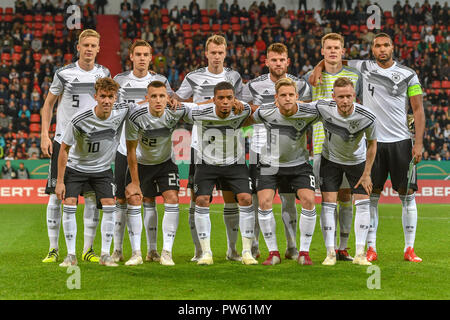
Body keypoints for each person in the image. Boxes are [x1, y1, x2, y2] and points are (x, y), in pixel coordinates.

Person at [309, 33, 425, 263]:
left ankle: (409, 248)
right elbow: (335, 59)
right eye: (377, 46)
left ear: (393, 47)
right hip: (372, 143)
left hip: (401, 141)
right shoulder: (364, 66)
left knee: (408, 195)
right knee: (370, 196)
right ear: (372, 50)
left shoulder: (408, 75)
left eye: (386, 45)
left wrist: (419, 141)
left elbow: (418, 109)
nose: (382, 49)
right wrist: (318, 67)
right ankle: (370, 248)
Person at [40, 29, 111, 264]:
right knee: (56, 195)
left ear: (99, 48)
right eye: (86, 45)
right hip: (64, 140)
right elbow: (48, 105)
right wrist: (44, 135)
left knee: (91, 197)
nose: (89, 49)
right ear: (78, 48)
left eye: (94, 45)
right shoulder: (64, 73)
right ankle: (53, 249)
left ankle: (87, 250)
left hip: (92, 143)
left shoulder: (104, 73)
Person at [174, 35, 244, 263]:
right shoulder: (193, 77)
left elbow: (241, 105)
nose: (216, 56)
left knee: (231, 197)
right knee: (198, 199)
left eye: (220, 52)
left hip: (230, 145)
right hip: (199, 145)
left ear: (226, 53)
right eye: (212, 52)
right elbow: (178, 101)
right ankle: (199, 249)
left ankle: (232, 249)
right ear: (206, 53)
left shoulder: (234, 77)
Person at [241, 43, 311, 261]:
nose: (278, 63)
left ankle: (291, 245)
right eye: (274, 60)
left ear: (287, 61)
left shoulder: (300, 84)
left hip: (291, 150)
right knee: (257, 200)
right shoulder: (252, 86)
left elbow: (304, 114)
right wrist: (252, 131)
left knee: (289, 201)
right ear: (267, 61)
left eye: (282, 60)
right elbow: (244, 115)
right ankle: (254, 245)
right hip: (258, 150)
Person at [111, 40, 174, 265]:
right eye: (138, 54)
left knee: (148, 199)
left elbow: (171, 102)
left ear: (150, 57)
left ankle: (153, 250)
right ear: (131, 57)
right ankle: (118, 250)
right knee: (121, 199)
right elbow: (113, 108)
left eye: (146, 54)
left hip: (150, 150)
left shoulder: (160, 82)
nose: (141, 58)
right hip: (123, 147)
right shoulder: (119, 80)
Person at [55, 78, 129, 267]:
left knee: (109, 205)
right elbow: (64, 149)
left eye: (110, 97)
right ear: (95, 96)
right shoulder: (79, 119)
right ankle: (70, 255)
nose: (106, 100)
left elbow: (146, 104)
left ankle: (105, 254)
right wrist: (60, 181)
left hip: (102, 170)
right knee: (70, 203)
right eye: (102, 96)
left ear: (115, 98)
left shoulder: (122, 111)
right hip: (77, 167)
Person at [303, 33, 363, 262]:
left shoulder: (355, 76)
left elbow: (362, 106)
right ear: (322, 51)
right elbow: (305, 106)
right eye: (328, 48)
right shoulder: (312, 78)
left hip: (349, 147)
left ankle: (343, 247)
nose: (332, 51)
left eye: (336, 47)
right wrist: (317, 69)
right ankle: (328, 249)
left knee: (346, 195)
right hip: (321, 146)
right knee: (327, 198)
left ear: (343, 51)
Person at [183, 81, 258, 265]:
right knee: (201, 200)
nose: (225, 102)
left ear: (234, 99)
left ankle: (244, 252)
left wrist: (244, 106)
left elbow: (258, 111)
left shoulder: (241, 111)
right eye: (221, 98)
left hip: (234, 162)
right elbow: (181, 107)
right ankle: (206, 252)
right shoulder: (200, 113)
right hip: (206, 162)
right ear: (214, 100)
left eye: (229, 98)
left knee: (246, 199)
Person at [248, 77, 318, 266]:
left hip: (299, 165)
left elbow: (329, 107)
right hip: (270, 165)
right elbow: (244, 117)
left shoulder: (309, 112)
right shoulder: (265, 111)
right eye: (283, 95)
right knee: (264, 203)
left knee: (309, 200)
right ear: (276, 98)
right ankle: (273, 253)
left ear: (297, 96)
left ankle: (304, 252)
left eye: (291, 95)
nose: (287, 98)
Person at [124, 81, 187, 266]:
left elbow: (197, 106)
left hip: (166, 162)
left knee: (172, 198)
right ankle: (139, 252)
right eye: (154, 96)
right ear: (147, 98)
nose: (158, 100)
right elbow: (131, 151)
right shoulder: (136, 116)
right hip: (142, 164)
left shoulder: (175, 111)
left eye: (162, 96)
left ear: (168, 97)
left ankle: (166, 252)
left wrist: (217, 102)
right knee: (138, 200)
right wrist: (135, 182)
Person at [316, 77, 377, 266]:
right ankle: (330, 253)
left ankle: (359, 253)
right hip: (330, 160)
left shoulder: (367, 116)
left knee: (363, 203)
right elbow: (299, 106)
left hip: (356, 162)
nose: (345, 101)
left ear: (355, 97)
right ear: (333, 96)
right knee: (328, 204)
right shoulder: (323, 106)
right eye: (341, 96)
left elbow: (373, 144)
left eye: (349, 96)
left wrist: (366, 174)